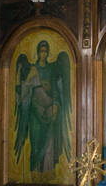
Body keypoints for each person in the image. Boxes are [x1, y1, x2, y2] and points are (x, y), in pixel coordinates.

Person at [13, 40, 72, 177]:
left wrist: (56, 104)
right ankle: (35, 173)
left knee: (49, 142)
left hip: (49, 108)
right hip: (35, 111)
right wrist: (19, 80)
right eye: (41, 51)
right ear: (38, 53)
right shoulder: (33, 69)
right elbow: (26, 88)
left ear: (48, 53)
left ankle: (48, 173)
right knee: (36, 141)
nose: (43, 54)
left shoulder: (52, 69)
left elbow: (56, 89)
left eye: (45, 51)